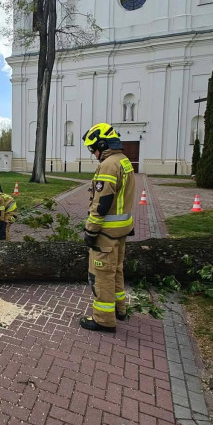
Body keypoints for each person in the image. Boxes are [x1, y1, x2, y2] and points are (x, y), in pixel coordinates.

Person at [80, 123, 135, 332]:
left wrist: (90, 230)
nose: (93, 154)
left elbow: (102, 204)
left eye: (93, 149)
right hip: (121, 230)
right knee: (116, 271)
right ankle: (120, 309)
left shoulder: (108, 165)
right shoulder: (124, 161)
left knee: (101, 276)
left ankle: (103, 319)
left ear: (102, 144)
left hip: (106, 233)